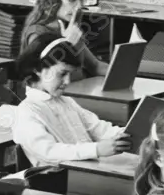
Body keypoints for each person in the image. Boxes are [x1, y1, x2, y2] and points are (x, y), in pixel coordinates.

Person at [11, 34, 129, 167]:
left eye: (70, 74)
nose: (68, 81)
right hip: (57, 179)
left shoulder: (67, 102)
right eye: (62, 74)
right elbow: (49, 152)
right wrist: (96, 149)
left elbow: (99, 129)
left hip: (85, 171)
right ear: (38, 70)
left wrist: (127, 133)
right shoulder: (27, 111)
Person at [20, 0, 107, 81]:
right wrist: (68, 45)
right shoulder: (38, 33)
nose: (79, 6)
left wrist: (126, 73)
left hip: (76, 92)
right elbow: (51, 80)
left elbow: (95, 66)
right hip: (52, 96)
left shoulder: (68, 27)